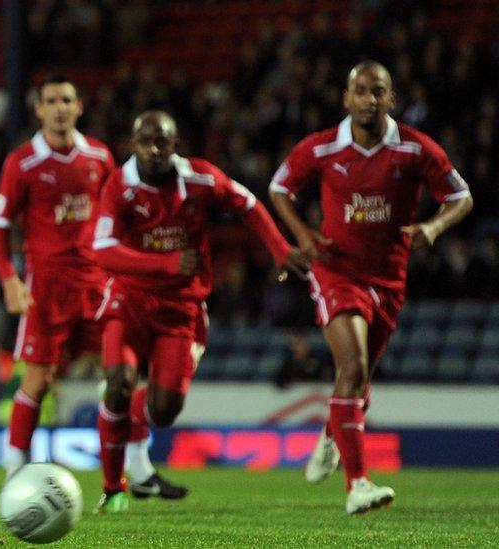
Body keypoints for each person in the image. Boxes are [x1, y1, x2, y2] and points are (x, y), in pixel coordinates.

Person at [269, 61, 472, 514]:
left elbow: (461, 197)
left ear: (391, 98)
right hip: (335, 270)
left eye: (378, 91)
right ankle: (357, 485)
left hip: (389, 277)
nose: (369, 100)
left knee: (359, 381)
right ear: (346, 98)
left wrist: (435, 228)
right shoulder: (321, 148)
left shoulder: (415, 150)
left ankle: (331, 432)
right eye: (360, 91)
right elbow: (279, 187)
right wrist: (302, 236)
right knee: (354, 365)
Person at [93, 111, 310, 512]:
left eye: (163, 142)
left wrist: (280, 249)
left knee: (163, 411)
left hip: (181, 308)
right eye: (145, 142)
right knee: (118, 382)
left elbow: (248, 204)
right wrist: (167, 263)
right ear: (133, 144)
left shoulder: (200, 179)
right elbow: (102, 249)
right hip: (129, 301)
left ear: (175, 145)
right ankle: (113, 486)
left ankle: (128, 420)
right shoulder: (119, 185)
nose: (154, 150)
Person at [0, 75, 115, 474]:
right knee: (39, 379)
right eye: (51, 101)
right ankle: (13, 470)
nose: (60, 107)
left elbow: (116, 216)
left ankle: (132, 467)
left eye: (67, 100)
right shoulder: (22, 162)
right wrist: (9, 278)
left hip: (97, 282)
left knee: (122, 372)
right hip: (46, 287)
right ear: (39, 109)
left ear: (79, 107)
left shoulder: (99, 157)